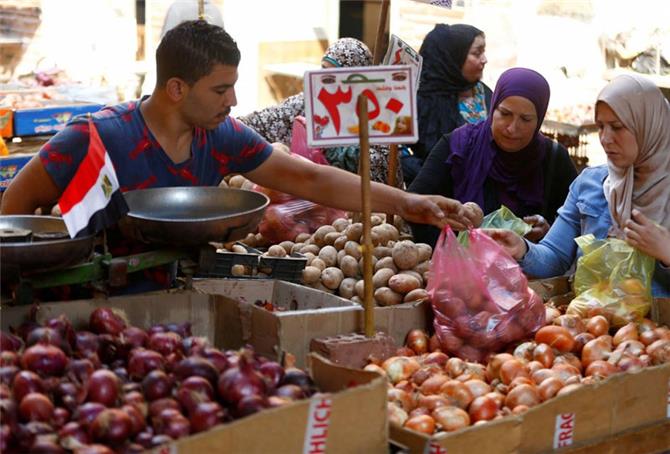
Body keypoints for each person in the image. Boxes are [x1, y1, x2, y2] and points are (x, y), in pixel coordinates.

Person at [1, 21, 472, 237]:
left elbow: (309, 179)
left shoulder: (219, 134)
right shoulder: (94, 137)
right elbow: (14, 211)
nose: (235, 102)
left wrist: (410, 203)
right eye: (221, 89)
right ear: (177, 88)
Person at [486, 74, 670, 297]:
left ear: (649, 126)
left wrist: (665, 251)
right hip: (592, 326)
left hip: (659, 329)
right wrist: (523, 249)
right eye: (601, 126)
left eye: (617, 127)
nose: (605, 138)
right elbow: (555, 256)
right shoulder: (590, 184)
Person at [408, 67, 577, 248]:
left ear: (539, 120)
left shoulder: (553, 159)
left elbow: (576, 223)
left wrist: (550, 233)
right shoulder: (457, 147)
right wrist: (451, 243)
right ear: (493, 107)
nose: (512, 128)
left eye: (526, 119)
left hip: (534, 274)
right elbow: (414, 206)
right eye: (505, 114)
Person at [238, 38, 402, 187]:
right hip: (310, 200)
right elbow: (260, 123)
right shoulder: (307, 103)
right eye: (323, 70)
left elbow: (383, 170)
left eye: (335, 75)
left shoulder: (375, 113)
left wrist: (342, 152)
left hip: (356, 202)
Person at [402, 23, 492, 186]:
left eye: (483, 52)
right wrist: (428, 175)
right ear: (453, 57)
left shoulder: (485, 94)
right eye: (477, 53)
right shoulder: (419, 98)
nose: (484, 60)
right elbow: (395, 150)